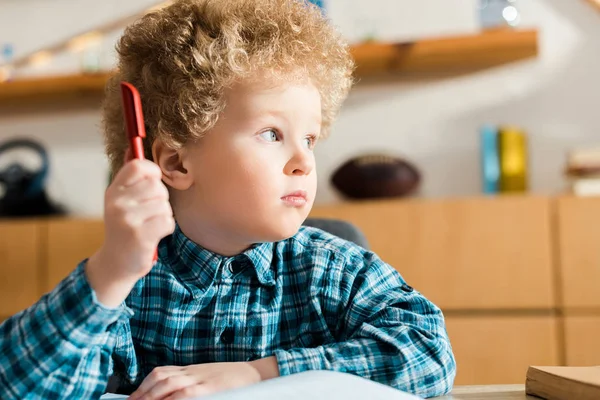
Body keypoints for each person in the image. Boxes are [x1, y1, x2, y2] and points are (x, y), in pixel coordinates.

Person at [0, 1, 456, 399]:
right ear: (176, 164)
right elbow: (20, 386)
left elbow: (430, 352)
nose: (303, 161)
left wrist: (259, 374)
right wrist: (110, 272)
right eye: (272, 134)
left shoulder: (333, 270)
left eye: (311, 138)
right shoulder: (131, 286)